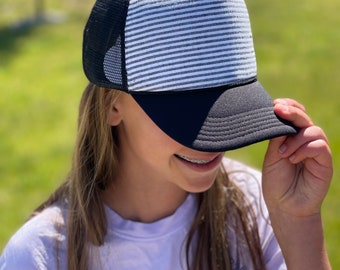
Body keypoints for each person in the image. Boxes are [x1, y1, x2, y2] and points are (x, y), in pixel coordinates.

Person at [0, 0, 333, 269]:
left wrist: (298, 222)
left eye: (230, 106)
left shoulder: (259, 210)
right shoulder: (40, 256)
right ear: (112, 106)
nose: (212, 141)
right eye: (182, 114)